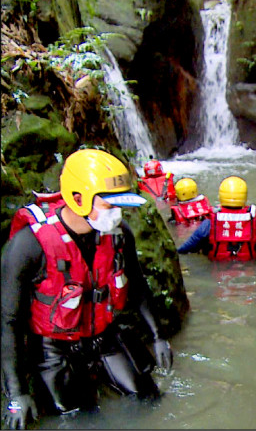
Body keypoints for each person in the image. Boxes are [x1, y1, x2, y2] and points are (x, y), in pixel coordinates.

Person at [1, 149, 175, 430]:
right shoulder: (28, 246)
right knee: (80, 419)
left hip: (103, 337)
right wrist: (16, 394)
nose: (117, 214)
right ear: (77, 198)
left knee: (148, 399)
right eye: (110, 205)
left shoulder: (119, 235)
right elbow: (7, 322)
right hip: (53, 349)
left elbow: (138, 285)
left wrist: (157, 336)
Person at [177, 176, 256, 261]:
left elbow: (184, 250)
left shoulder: (208, 224)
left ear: (221, 197)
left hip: (216, 270)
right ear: (244, 198)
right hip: (248, 269)